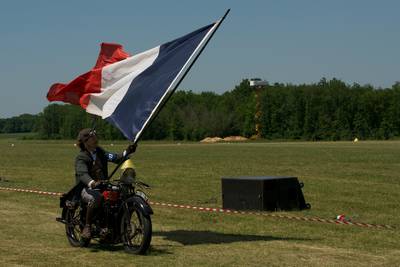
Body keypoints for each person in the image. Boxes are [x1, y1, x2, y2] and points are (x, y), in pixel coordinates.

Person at [75, 128, 136, 239]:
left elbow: (116, 158)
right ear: (85, 141)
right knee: (97, 198)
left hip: (102, 185)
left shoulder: (100, 152)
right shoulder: (82, 157)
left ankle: (114, 227)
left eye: (95, 136)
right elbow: (82, 173)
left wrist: (128, 151)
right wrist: (92, 183)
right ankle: (87, 227)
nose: (95, 139)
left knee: (120, 195)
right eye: (92, 137)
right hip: (85, 188)